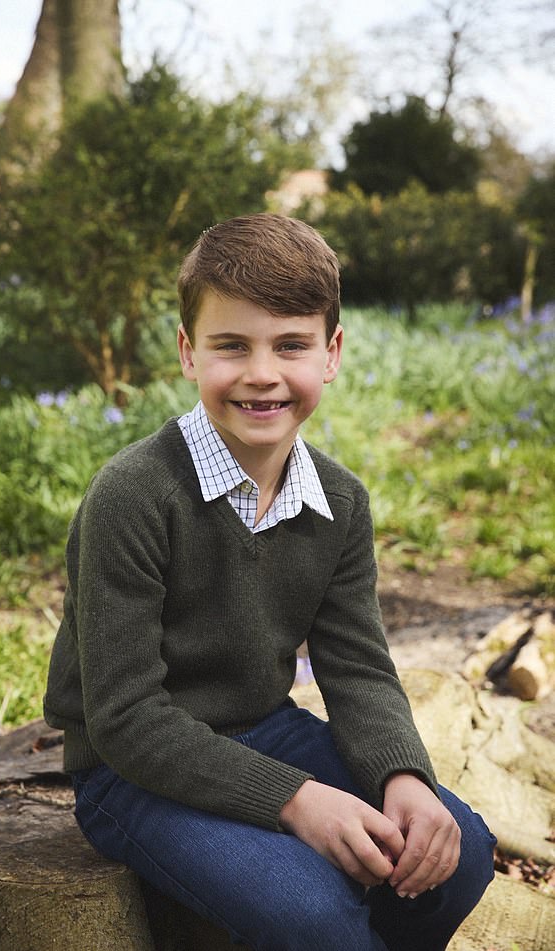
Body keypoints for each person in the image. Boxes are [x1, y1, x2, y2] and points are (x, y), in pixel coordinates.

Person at [44, 213, 495, 951]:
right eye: (231, 346)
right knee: (311, 910)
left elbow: (358, 669)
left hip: (267, 728)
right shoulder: (133, 494)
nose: (262, 373)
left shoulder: (339, 501)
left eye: (291, 345)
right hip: (130, 771)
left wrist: (402, 775)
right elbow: (123, 717)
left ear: (332, 353)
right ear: (189, 354)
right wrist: (296, 800)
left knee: (459, 853)